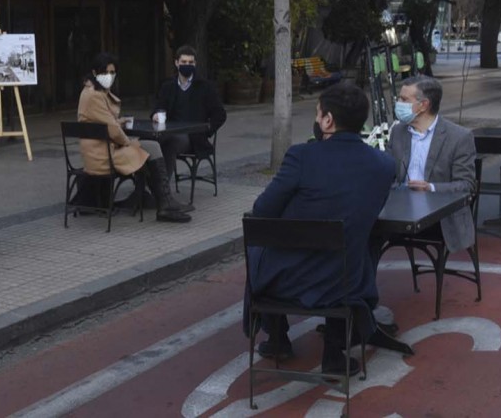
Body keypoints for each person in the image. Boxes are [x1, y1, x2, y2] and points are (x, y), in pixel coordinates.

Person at [243, 83, 395, 374]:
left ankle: (277, 338)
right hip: (348, 282)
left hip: (286, 280)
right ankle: (334, 356)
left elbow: (263, 211)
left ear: (327, 120)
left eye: (317, 113)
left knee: (258, 247)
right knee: (354, 250)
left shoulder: (302, 157)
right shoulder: (384, 165)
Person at [77, 53, 190, 223]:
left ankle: (163, 201)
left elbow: (103, 122)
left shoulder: (94, 92)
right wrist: (128, 142)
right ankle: (164, 203)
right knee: (150, 147)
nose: (110, 76)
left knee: (151, 146)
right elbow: (112, 130)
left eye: (112, 72)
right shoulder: (94, 95)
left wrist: (119, 123)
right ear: (94, 72)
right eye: (105, 72)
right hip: (103, 155)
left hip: (103, 149)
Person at [386, 75, 476, 255]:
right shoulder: (398, 131)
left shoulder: (459, 137)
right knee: (363, 232)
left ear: (423, 105)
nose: (398, 103)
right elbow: (387, 173)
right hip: (398, 211)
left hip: (438, 218)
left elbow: (467, 185)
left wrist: (431, 188)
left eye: (404, 99)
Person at [152, 45, 227, 201]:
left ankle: (161, 193)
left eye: (191, 62)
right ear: (176, 63)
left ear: (195, 64)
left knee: (169, 143)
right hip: (168, 131)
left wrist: (205, 130)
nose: (187, 65)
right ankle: (146, 189)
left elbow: (220, 114)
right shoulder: (167, 86)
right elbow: (157, 108)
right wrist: (155, 116)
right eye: (184, 62)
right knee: (149, 143)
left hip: (193, 138)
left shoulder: (205, 87)